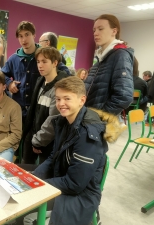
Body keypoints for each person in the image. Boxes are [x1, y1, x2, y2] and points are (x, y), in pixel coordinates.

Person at [30, 76, 108, 225]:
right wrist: (35, 177)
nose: (61, 104)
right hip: (62, 178)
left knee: (25, 213)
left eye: (67, 99)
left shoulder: (87, 134)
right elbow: (54, 156)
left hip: (81, 194)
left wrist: (39, 184)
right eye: (58, 99)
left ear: (82, 100)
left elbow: (75, 184)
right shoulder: (63, 122)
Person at [22, 47, 69, 164]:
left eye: (44, 61)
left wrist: (38, 141)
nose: (40, 65)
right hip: (33, 135)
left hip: (48, 141)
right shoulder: (40, 81)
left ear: (55, 63)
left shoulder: (59, 88)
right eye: (38, 62)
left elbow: (53, 120)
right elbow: (34, 112)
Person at [84, 14, 134, 115]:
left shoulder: (120, 55)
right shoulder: (101, 57)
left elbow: (124, 96)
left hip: (99, 122)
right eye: (94, 30)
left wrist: (101, 116)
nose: (95, 33)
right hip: (89, 117)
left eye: (100, 29)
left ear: (114, 31)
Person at [1, 21, 40, 119]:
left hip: (38, 110)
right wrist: (9, 83)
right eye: (20, 36)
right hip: (19, 110)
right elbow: (1, 74)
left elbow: (63, 71)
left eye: (27, 35)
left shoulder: (44, 55)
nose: (24, 39)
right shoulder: (13, 59)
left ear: (34, 35)